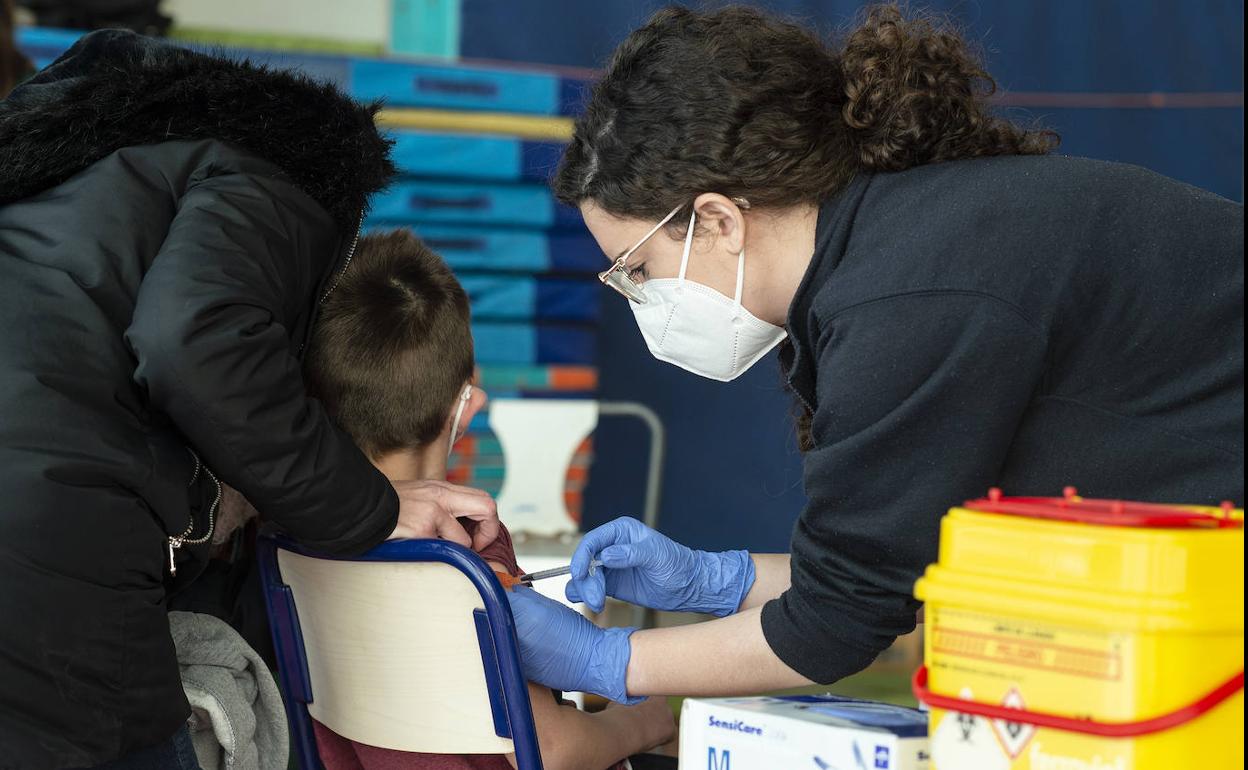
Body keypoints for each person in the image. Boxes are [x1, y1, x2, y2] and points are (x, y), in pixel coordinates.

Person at [503, 4, 1244, 707]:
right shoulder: (889, 251)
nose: (636, 296)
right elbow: (886, 578)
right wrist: (715, 580)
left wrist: (609, 661)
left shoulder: (907, 299)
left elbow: (837, 626)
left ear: (719, 219)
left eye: (636, 268)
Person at [0, 32, 497, 767]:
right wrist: (371, 509)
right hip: (47, 535)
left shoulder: (81, 184)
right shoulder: (284, 172)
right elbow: (192, 343)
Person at [273, 229, 672, 770]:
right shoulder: (468, 545)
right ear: (467, 405)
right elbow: (550, 749)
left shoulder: (286, 533)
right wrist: (644, 721)